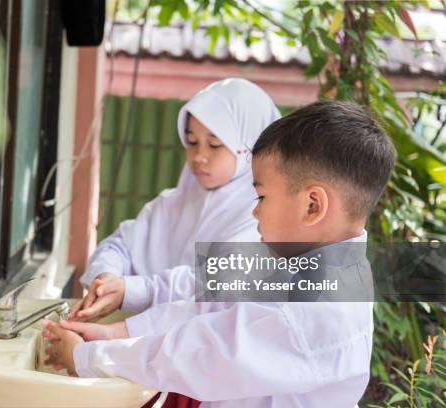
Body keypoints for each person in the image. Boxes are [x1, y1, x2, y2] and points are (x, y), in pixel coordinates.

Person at [43, 101, 396, 407]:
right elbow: (210, 304)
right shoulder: (300, 263)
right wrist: (116, 335)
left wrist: (86, 357)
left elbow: (205, 354)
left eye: (261, 197)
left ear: (312, 206)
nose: (254, 212)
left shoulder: (322, 307)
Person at [70, 78, 280, 321]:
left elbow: (215, 284)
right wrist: (106, 277)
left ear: (250, 148)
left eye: (214, 144)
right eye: (191, 142)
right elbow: (117, 246)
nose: (199, 156)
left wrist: (133, 291)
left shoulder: (261, 219)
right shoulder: (170, 205)